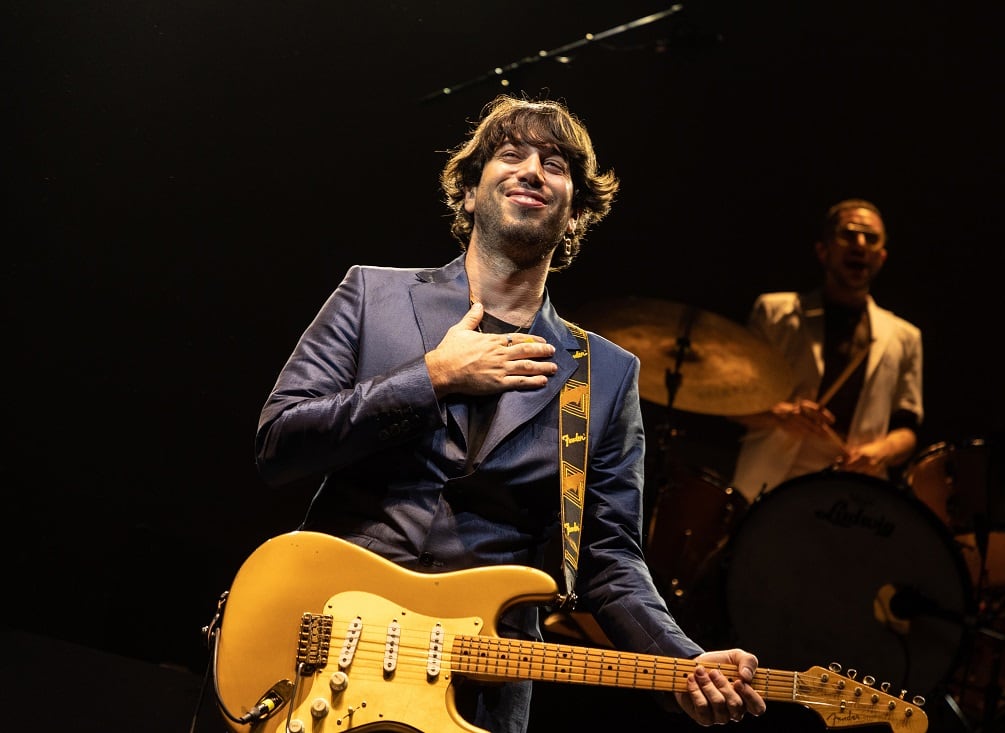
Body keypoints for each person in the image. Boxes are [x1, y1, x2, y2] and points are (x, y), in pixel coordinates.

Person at [254, 94, 766, 733]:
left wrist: (685, 660)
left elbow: (608, 557)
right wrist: (432, 377)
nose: (532, 170)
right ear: (468, 191)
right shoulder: (371, 295)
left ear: (575, 211)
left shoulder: (603, 375)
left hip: (479, 687)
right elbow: (280, 443)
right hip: (328, 639)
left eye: (555, 164)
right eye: (511, 153)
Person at [730, 198, 923, 500]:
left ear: (881, 257)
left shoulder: (905, 337)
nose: (860, 244)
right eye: (849, 234)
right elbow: (733, 399)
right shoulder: (775, 313)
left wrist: (880, 452)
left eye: (871, 238)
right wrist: (783, 415)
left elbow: (907, 428)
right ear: (823, 250)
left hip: (853, 496)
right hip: (768, 487)